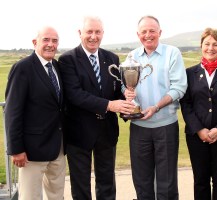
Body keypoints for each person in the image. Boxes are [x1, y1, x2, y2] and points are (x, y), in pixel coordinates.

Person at [58, 16, 135, 200]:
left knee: (107, 185)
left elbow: (116, 89)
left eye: (97, 32)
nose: (93, 36)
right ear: (80, 33)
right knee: (81, 187)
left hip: (107, 132)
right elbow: (75, 95)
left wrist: (126, 100)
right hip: (79, 133)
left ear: (102, 33)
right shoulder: (68, 59)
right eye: (89, 32)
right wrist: (109, 105)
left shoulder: (112, 58)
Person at [124, 15, 187, 200]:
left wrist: (156, 107)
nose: (148, 35)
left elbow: (179, 87)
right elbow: (125, 85)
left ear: (160, 32)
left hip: (165, 127)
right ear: (138, 34)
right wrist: (127, 94)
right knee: (141, 181)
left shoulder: (172, 53)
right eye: (144, 31)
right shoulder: (132, 56)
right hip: (139, 128)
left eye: (152, 31)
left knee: (166, 183)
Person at [4, 26, 65, 200]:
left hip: (57, 149)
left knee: (56, 196)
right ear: (34, 42)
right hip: (31, 153)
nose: (50, 44)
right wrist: (16, 149)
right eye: (46, 40)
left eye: (54, 41)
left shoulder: (57, 67)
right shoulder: (22, 68)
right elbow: (12, 112)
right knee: (30, 197)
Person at [180, 28, 217, 200]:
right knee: (200, 180)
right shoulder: (189, 73)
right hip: (196, 136)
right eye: (207, 44)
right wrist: (200, 130)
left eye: (215, 44)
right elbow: (186, 104)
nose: (210, 48)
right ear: (201, 46)